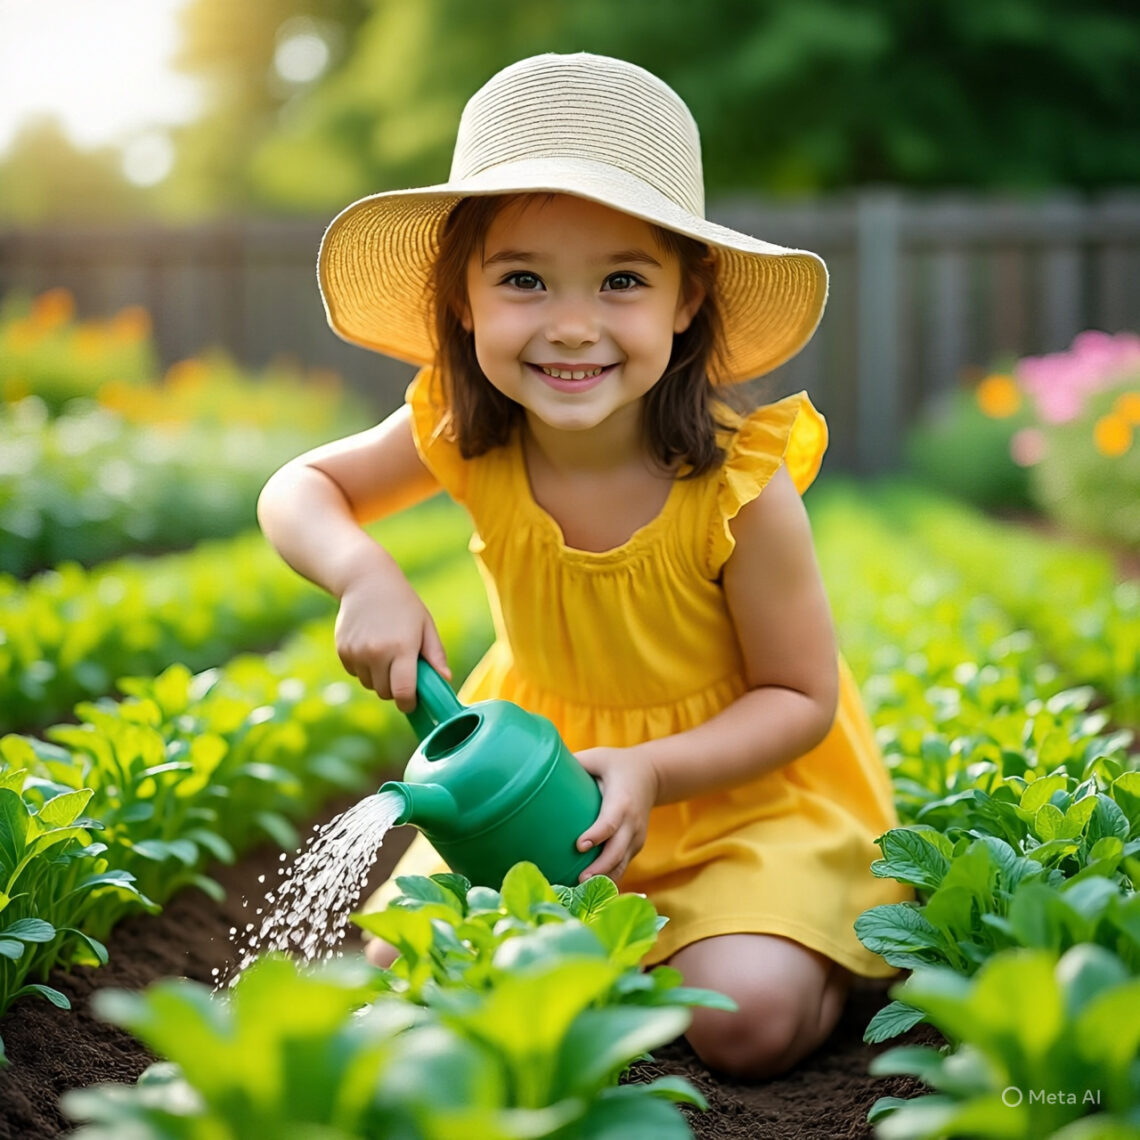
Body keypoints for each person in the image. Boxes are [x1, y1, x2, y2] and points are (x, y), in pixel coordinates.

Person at [257, 51, 910, 1081]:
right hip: (537, 785)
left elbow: (800, 697)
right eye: (523, 279)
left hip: (734, 793)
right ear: (461, 299)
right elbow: (298, 488)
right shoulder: (462, 430)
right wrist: (361, 572)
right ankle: (609, 969)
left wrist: (655, 769)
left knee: (742, 1020)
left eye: (621, 281)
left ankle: (830, 953)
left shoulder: (739, 486)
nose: (571, 324)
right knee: (404, 965)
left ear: (689, 299)